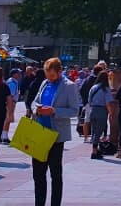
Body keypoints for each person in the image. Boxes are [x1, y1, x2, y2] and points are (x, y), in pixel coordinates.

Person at [30, 57, 79, 206]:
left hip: (56, 136)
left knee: (55, 174)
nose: (49, 78)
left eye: (51, 75)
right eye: (47, 75)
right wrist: (36, 109)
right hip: (40, 133)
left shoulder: (69, 86)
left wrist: (54, 111)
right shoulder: (45, 83)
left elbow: (75, 110)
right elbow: (34, 101)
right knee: (38, 174)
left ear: (59, 71)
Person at [86, 71, 113, 160]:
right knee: (98, 132)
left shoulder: (93, 88)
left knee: (94, 131)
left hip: (93, 110)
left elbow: (89, 101)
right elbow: (108, 103)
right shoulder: (106, 89)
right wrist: (111, 113)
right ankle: (94, 152)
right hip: (101, 111)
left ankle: (95, 150)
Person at [3, 68, 21, 144]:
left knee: (7, 120)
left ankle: (4, 136)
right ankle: (4, 137)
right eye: (18, 73)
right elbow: (10, 95)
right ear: (14, 74)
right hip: (10, 103)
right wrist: (11, 105)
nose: (20, 74)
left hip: (10, 103)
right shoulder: (12, 83)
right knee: (7, 120)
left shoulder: (12, 81)